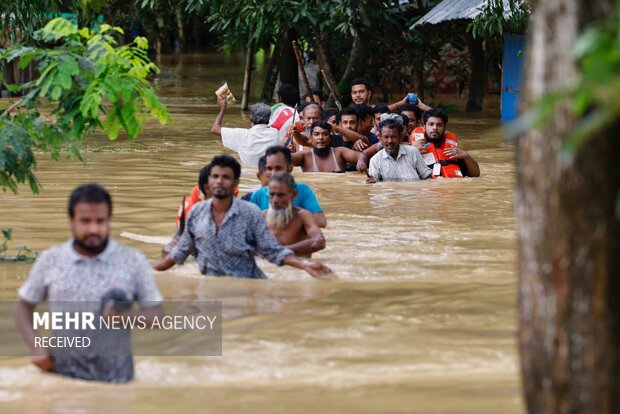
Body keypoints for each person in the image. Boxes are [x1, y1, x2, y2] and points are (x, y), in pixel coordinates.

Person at [14, 184, 163, 383]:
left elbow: (157, 316)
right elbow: (23, 306)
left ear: (109, 221)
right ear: (71, 222)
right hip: (63, 375)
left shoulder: (132, 260)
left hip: (116, 379)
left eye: (100, 221)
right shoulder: (51, 260)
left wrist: (124, 317)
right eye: (85, 221)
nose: (93, 228)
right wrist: (37, 346)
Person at [153, 155, 332, 279]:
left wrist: (305, 266)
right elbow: (179, 253)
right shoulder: (195, 213)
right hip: (210, 285)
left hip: (249, 284)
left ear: (236, 183)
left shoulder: (250, 213)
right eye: (215, 176)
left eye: (226, 177)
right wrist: (148, 269)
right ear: (208, 182)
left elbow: (272, 251)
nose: (219, 181)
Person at [250, 145, 327, 228]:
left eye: (278, 168)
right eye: (269, 168)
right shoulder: (258, 195)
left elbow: (321, 221)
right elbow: (248, 224)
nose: (273, 173)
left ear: (290, 168)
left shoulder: (302, 191)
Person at [264, 172, 325, 258]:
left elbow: (319, 242)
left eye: (280, 195)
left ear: (293, 195)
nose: (275, 200)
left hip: (300, 268)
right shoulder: (262, 217)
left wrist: (282, 251)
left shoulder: (303, 216)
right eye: (272, 194)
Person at [409, 108, 480, 178]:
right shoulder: (412, 149)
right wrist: (411, 150)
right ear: (424, 126)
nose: (435, 128)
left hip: (451, 186)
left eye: (439, 125)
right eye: (431, 124)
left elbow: (476, 174)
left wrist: (466, 156)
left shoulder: (453, 151)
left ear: (444, 128)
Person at [211, 98, 279, 166]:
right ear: (268, 119)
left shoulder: (241, 135)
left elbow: (215, 129)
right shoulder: (275, 133)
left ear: (251, 119)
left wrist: (222, 109)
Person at [367, 119, 431, 183]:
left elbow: (428, 178)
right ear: (380, 137)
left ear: (400, 137)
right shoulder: (375, 160)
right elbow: (374, 186)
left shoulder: (413, 152)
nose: (390, 141)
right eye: (386, 137)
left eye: (393, 137)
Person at [291, 121, 366, 173]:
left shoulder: (340, 152)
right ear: (311, 138)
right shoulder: (304, 156)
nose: (321, 137)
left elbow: (361, 155)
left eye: (325, 134)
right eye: (316, 134)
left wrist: (361, 161)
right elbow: (284, 159)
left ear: (330, 138)